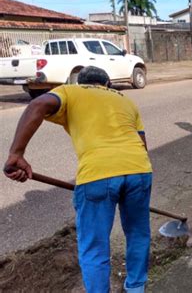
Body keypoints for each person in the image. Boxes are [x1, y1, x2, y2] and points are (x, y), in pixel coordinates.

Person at [3, 66, 153, 293]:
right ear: (108, 85)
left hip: (97, 174)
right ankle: (136, 287)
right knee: (138, 233)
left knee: (94, 246)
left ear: (80, 81)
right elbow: (142, 144)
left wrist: (16, 154)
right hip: (139, 170)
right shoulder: (125, 100)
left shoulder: (71, 91)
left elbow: (37, 105)